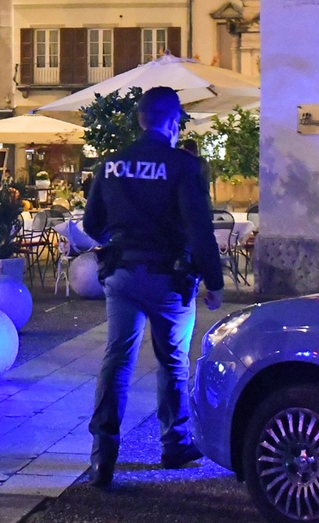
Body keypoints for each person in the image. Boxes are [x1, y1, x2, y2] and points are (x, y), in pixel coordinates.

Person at [82, 86, 224, 488]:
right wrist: (214, 281)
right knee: (173, 362)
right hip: (168, 279)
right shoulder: (182, 166)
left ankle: (102, 455)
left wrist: (123, 232)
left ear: (141, 119)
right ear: (172, 120)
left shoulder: (110, 165)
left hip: (122, 275)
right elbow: (199, 229)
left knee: (117, 359)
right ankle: (174, 443)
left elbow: (92, 225)